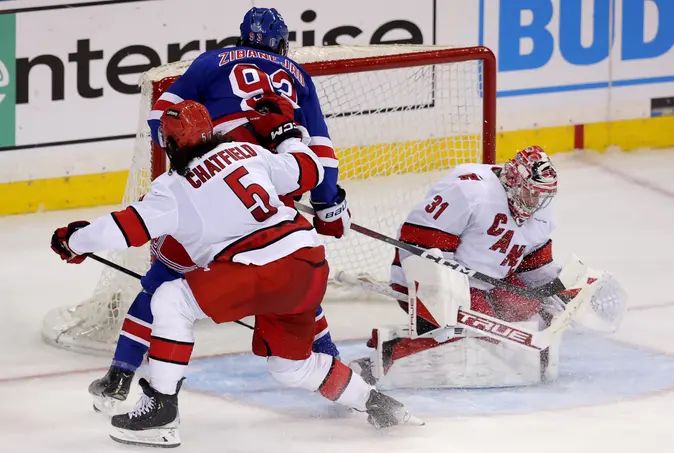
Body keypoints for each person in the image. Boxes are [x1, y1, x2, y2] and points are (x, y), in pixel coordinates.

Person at [51, 97, 419, 447]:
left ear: (169, 145)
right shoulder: (248, 152)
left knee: (169, 299)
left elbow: (123, 228)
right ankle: (377, 403)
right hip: (309, 264)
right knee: (290, 368)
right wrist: (287, 134)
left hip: (258, 270)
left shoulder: (173, 188)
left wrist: (74, 240)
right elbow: (309, 170)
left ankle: (160, 411)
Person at [87, 6, 346, 410]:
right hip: (271, 190)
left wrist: (191, 154)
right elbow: (321, 155)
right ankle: (334, 365)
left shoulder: (211, 61)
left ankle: (120, 374)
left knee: (162, 281)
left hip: (207, 186)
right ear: (281, 43)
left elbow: (161, 118)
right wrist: (328, 206)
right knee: (292, 279)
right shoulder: (298, 76)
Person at [351, 145, 561, 387]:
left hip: (488, 282)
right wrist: (446, 291)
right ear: (514, 180)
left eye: (542, 195)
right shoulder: (469, 191)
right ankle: (389, 352)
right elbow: (418, 240)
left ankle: (534, 357)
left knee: (533, 310)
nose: (536, 202)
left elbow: (534, 264)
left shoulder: (539, 211)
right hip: (428, 274)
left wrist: (554, 293)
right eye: (531, 193)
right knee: (486, 330)